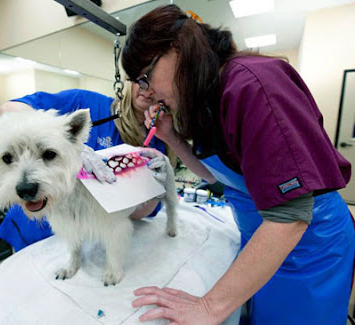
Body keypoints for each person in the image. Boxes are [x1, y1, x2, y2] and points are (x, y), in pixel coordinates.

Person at [121, 4, 355, 325]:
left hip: (307, 250)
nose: (147, 94)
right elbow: (220, 178)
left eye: (146, 79)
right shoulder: (208, 100)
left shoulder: (253, 84)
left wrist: (208, 307)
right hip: (263, 243)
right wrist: (171, 136)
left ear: (176, 50)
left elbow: (291, 215)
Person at [0, 82, 189, 251]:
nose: (147, 91)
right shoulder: (85, 102)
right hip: (37, 231)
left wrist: (152, 191)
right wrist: (63, 142)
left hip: (90, 239)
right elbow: (9, 108)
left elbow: (136, 215)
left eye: (158, 83)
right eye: (142, 80)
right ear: (129, 79)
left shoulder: (157, 144)